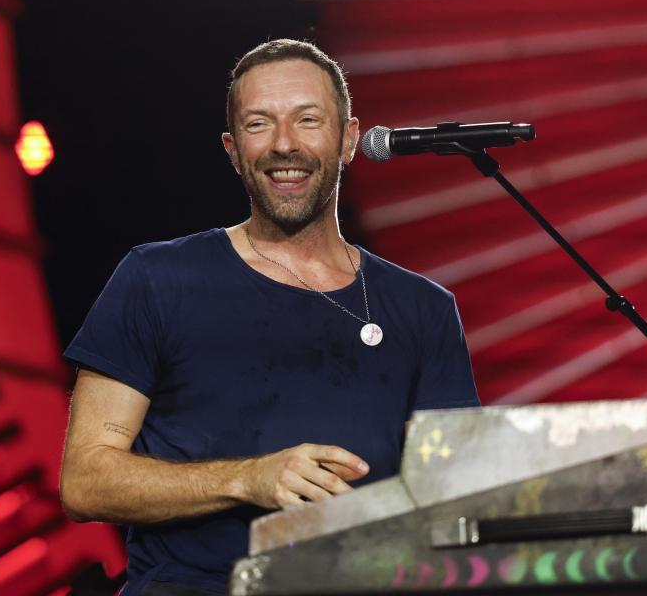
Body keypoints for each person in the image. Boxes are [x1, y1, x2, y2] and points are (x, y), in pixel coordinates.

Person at [58, 39, 480, 596]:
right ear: (233, 150)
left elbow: (455, 498)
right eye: (260, 124)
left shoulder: (423, 308)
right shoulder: (156, 278)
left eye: (308, 120)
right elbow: (86, 481)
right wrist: (249, 478)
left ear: (349, 138)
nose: (285, 145)